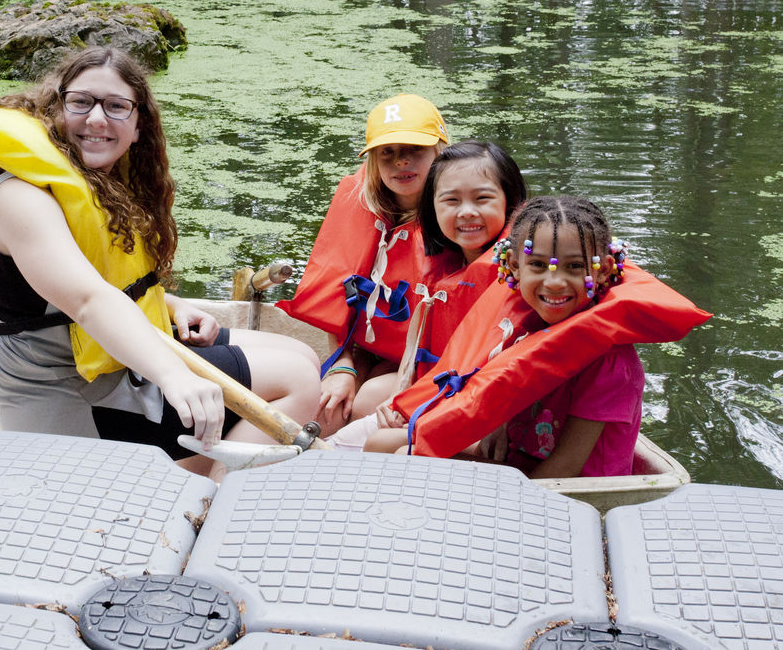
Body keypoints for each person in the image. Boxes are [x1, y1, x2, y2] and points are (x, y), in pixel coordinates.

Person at [0, 48, 322, 476]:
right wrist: (175, 376)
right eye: (81, 102)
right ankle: (203, 496)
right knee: (297, 380)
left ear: (138, 127)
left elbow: (102, 279)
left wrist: (170, 305)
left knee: (301, 353)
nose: (97, 119)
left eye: (116, 107)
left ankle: (183, 474)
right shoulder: (21, 199)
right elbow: (87, 301)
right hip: (73, 394)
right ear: (55, 109)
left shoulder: (97, 183)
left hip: (113, 363)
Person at [366, 196, 710, 478]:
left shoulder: (610, 363)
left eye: (574, 266)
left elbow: (566, 468)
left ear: (603, 269)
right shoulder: (524, 326)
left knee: (403, 457)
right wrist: (497, 426)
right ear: (514, 266)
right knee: (380, 443)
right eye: (538, 265)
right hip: (521, 458)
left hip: (570, 488)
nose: (555, 282)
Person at [324, 141, 525, 450]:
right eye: (451, 200)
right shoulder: (446, 262)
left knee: (371, 444)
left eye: (482, 198)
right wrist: (400, 395)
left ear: (509, 201)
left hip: (480, 413)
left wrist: (411, 402)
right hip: (438, 390)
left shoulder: (521, 273)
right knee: (357, 415)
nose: (467, 212)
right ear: (432, 208)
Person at [276, 95, 449, 435]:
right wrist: (342, 366)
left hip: (433, 362)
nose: (401, 161)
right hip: (368, 350)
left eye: (415, 148)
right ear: (373, 161)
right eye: (387, 152)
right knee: (324, 408)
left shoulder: (457, 214)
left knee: (367, 400)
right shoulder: (362, 205)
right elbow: (336, 291)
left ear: (439, 152)